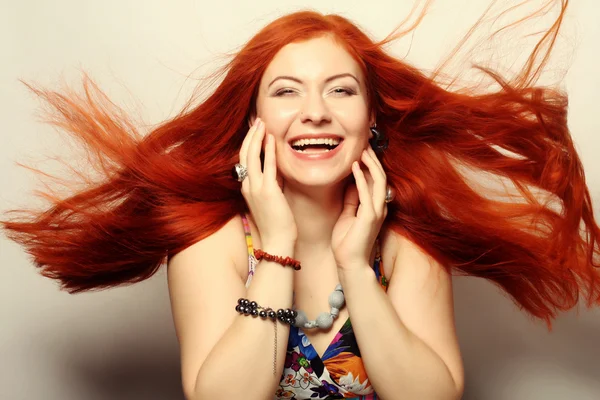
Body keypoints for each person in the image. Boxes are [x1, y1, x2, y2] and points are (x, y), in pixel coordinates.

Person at [2, 2, 599, 400]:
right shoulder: (208, 243)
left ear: (371, 122)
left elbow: (431, 395)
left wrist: (357, 270)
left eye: (340, 90)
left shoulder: (407, 241)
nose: (315, 110)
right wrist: (279, 247)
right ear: (254, 121)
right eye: (286, 92)